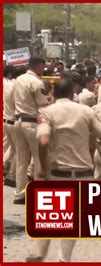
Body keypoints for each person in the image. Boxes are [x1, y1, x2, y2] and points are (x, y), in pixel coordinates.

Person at [26, 78, 101, 262]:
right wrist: (89, 140)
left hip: (58, 172)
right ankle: (64, 259)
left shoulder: (47, 112)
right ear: (72, 94)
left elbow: (43, 140)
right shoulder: (87, 111)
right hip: (84, 174)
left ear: (54, 94)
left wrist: (41, 166)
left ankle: (40, 253)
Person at [12, 57, 50, 204]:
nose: (43, 69)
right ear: (38, 65)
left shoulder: (18, 79)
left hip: (18, 120)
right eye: (43, 66)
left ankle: (19, 193)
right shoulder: (36, 82)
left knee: (22, 160)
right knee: (39, 158)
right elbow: (42, 103)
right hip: (31, 122)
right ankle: (38, 193)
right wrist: (49, 98)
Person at [3, 65, 15, 187]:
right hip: (9, 118)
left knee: (7, 146)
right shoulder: (10, 85)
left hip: (5, 117)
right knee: (11, 147)